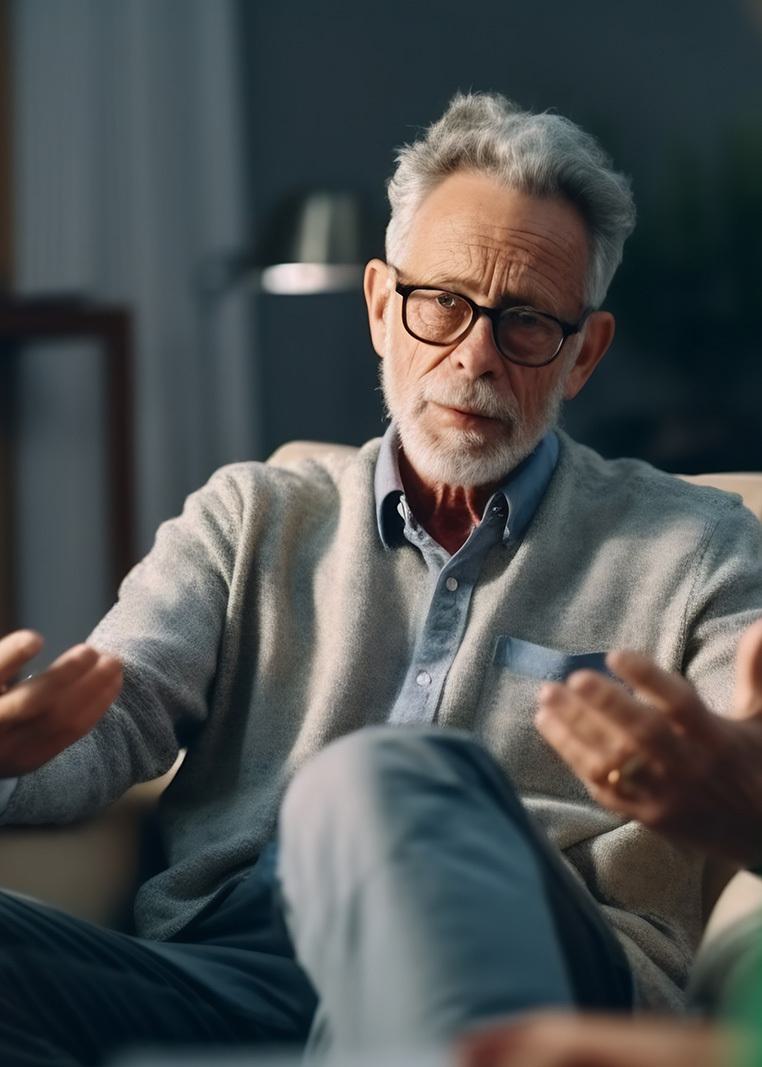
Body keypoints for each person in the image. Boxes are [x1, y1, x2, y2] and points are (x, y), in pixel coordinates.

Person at [1, 91, 762, 1065]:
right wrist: (12, 748)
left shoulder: (696, 541)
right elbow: (111, 710)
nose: (475, 356)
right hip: (237, 965)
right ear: (378, 306)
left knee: (381, 776)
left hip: (540, 959)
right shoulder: (253, 512)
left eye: (526, 321)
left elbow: (745, 743)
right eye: (441, 301)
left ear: (584, 354)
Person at [460, 619, 762, 1067]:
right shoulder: (318, 566)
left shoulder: (714, 565)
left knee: (386, 777)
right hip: (340, 920)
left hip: (606, 959)